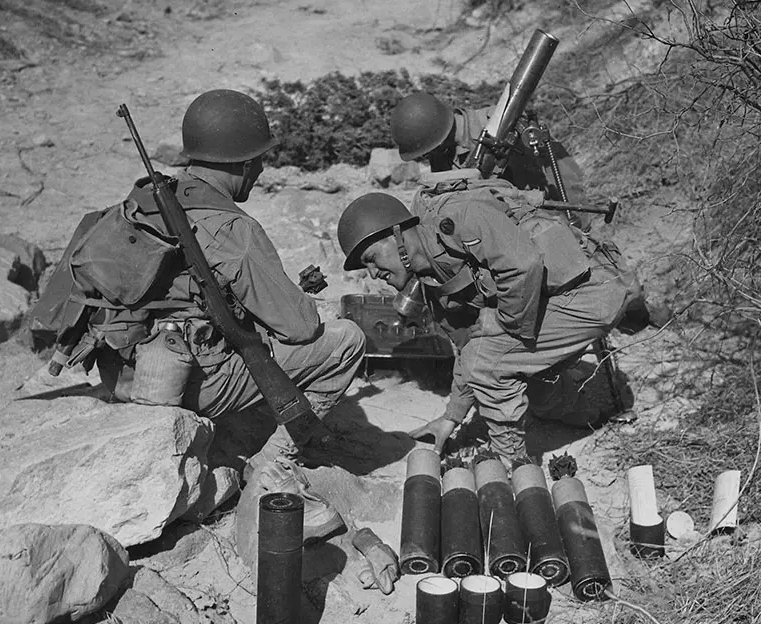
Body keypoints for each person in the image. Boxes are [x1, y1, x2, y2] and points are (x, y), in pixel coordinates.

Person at [48, 89, 366, 542]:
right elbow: (302, 327)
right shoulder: (233, 227)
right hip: (183, 383)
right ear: (239, 163)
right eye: (257, 161)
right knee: (346, 340)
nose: (260, 171)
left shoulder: (147, 203)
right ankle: (272, 469)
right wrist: (292, 297)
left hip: (120, 371)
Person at [336, 180, 638, 469]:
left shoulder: (460, 218)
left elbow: (523, 265)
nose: (373, 273)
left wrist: (501, 321)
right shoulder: (432, 281)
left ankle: (513, 464)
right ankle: (588, 415)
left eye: (372, 258)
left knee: (493, 360)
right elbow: (469, 347)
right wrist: (451, 417)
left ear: (398, 234)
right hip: (560, 301)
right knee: (530, 388)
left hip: (595, 289)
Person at [390, 92, 587, 209]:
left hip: (549, 209)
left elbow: (562, 178)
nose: (426, 157)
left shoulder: (502, 125)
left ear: (436, 141)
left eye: (425, 152)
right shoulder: (442, 155)